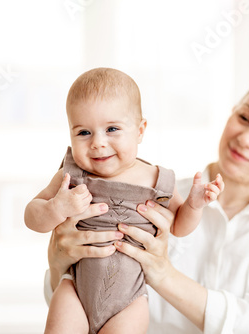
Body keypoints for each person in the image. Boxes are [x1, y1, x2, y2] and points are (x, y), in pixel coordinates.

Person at [44, 74, 249, 333]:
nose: (246, 138)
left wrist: (165, 275)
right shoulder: (154, 197)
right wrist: (59, 266)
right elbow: (86, 308)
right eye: (245, 117)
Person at [25, 67, 224, 334]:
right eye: (84, 132)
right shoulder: (71, 175)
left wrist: (194, 205)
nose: (98, 142)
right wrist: (56, 207)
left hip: (128, 302)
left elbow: (179, 227)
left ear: (140, 130)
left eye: (112, 129)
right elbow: (31, 215)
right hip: (74, 289)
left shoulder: (157, 180)